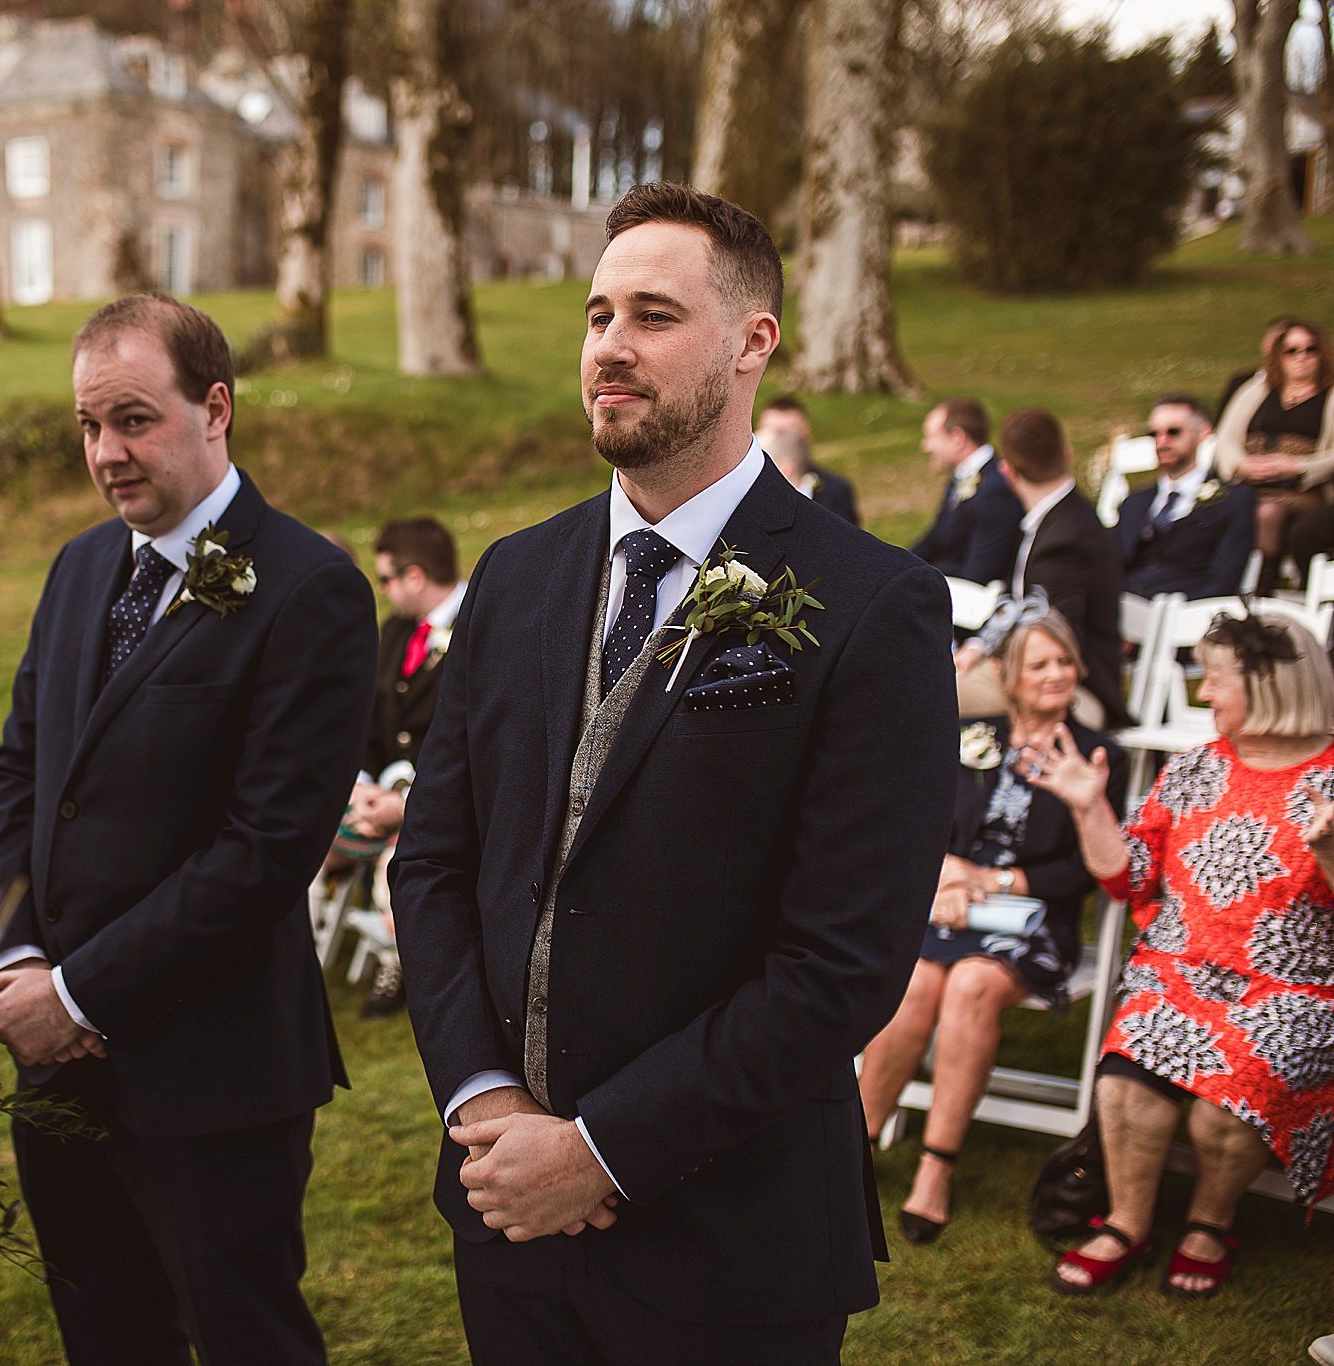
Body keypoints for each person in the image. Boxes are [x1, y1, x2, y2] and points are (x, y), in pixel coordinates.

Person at [392, 182, 956, 1363]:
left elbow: (840, 963)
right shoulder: (512, 576)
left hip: (729, 1241)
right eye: (597, 316)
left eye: (652, 314)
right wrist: (484, 1104)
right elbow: (437, 860)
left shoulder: (871, 604)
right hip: (507, 1221)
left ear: (754, 342)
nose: (608, 347)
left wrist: (599, 1150)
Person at [0, 293, 377, 1365]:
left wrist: (77, 994)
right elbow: (21, 771)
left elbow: (265, 849)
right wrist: (15, 950)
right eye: (88, 426)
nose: (105, 452)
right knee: (104, 1335)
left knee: (242, 1336)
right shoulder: (75, 570)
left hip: (212, 1068)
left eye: (134, 419)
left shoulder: (311, 588)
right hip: (57, 1067)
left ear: (215, 408)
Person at [1028, 610, 1334, 1297]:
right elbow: (1127, 877)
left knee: (1227, 1104)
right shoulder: (1195, 768)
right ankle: (1129, 1222)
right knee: (1128, 1076)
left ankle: (1209, 1222)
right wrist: (1088, 807)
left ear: (1267, 685)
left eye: (1215, 681)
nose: (1204, 696)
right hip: (1180, 974)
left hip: (1296, 991)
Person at [858, 604, 1128, 1245]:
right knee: (917, 983)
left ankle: (936, 1167)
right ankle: (853, 1151)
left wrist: (993, 882)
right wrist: (948, 874)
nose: (1057, 674)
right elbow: (913, 820)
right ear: (1009, 675)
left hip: (1033, 920)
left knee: (973, 984)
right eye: (1040, 663)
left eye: (1065, 661)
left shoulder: (1095, 754)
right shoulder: (966, 732)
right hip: (949, 903)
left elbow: (1081, 871)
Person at [340, 516, 468, 1017]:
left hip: (446, 804)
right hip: (379, 794)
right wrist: (360, 785)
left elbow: (474, 745)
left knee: (394, 862)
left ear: (414, 577)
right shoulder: (394, 630)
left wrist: (408, 803)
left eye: (386, 579)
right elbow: (368, 718)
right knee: (304, 839)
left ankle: (404, 960)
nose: (384, 590)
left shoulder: (481, 624)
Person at [955, 409, 1132, 730]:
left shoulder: (1066, 537)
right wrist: (979, 646)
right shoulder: (1057, 521)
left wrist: (995, 658)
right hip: (1033, 671)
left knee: (925, 690)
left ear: (1007, 471)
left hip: (1075, 692)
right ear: (1066, 455)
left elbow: (1053, 633)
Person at [1215, 318, 1334, 592]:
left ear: (1323, 353)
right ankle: (1218, 586)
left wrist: (1297, 466)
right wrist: (1241, 465)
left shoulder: (1329, 396)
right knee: (1220, 511)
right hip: (1248, 481)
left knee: (1268, 513)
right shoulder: (1256, 390)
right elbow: (1226, 438)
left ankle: (1262, 586)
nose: (1301, 357)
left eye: (1310, 349)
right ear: (1278, 355)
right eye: (1291, 350)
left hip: (1302, 489)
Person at [1117, 394, 1256, 600]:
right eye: (1154, 434)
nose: (1162, 442)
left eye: (1173, 432)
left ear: (1203, 433)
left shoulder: (1232, 499)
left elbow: (1224, 579)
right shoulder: (1134, 503)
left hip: (1188, 611)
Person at [911, 396, 1024, 585]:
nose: (925, 446)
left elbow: (981, 573)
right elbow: (935, 538)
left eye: (930, 437)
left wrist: (923, 578)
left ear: (957, 438)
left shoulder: (995, 490)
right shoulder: (961, 477)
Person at [756, 395, 860, 525]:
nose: (783, 443)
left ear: (807, 432)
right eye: (774, 433)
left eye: (791, 432)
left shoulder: (835, 491)